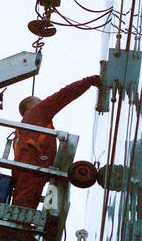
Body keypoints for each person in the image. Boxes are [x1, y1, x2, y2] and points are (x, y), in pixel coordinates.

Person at [11, 75, 101, 209]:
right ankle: (18, 226)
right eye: (39, 101)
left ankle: (19, 226)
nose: (42, 102)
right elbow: (63, 96)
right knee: (24, 206)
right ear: (30, 106)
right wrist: (89, 81)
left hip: (28, 169)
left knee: (24, 203)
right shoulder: (37, 113)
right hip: (34, 167)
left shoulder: (21, 131)